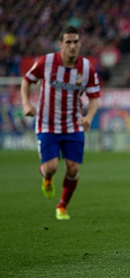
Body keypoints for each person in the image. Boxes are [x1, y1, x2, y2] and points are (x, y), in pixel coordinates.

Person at [21, 26, 100, 220]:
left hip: (73, 124)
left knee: (73, 168)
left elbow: (94, 98)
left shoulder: (87, 68)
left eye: (75, 42)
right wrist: (26, 103)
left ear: (80, 44)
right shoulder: (46, 62)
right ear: (61, 44)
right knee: (51, 168)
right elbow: (26, 80)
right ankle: (46, 178)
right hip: (47, 124)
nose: (72, 46)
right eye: (68, 42)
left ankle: (62, 206)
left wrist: (88, 118)